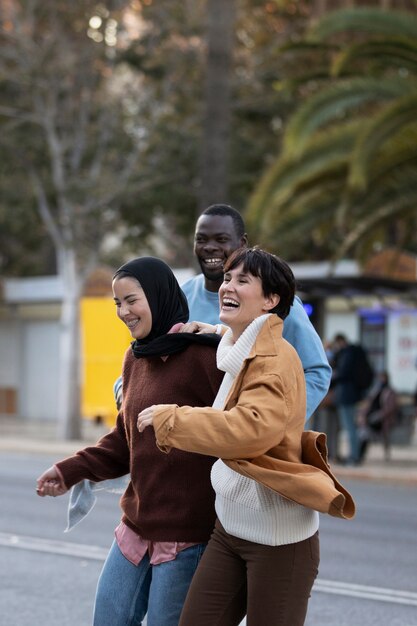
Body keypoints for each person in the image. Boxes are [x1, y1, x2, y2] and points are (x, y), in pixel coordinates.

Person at [138, 247, 355, 626]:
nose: (228, 286)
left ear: (271, 300)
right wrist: (218, 331)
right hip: (229, 531)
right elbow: (243, 353)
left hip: (278, 541)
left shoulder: (276, 360)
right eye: (227, 278)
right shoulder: (241, 346)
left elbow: (250, 430)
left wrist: (172, 418)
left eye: (243, 280)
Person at [36, 257, 224, 626]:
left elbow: (234, 433)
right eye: (117, 303)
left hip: (188, 538)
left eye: (131, 300)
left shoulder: (207, 356)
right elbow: (125, 438)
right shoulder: (135, 358)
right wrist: (68, 470)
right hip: (135, 527)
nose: (123, 312)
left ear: (157, 296)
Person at [181, 203, 332, 420]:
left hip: (254, 443)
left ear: (242, 243)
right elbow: (150, 354)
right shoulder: (180, 296)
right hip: (195, 439)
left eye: (221, 239)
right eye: (201, 239)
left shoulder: (278, 304)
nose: (209, 247)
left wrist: (277, 422)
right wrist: (124, 388)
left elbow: (316, 372)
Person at [332, 334, 372, 465]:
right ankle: (354, 454)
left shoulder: (346, 354)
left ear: (340, 341)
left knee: (349, 427)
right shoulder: (354, 352)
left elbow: (342, 373)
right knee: (352, 427)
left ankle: (354, 456)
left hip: (345, 396)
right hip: (353, 394)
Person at [358, 371, 399, 462]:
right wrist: (363, 415)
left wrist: (378, 415)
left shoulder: (390, 391)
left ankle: (359, 455)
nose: (381, 380)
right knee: (363, 433)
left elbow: (390, 408)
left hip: (382, 421)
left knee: (364, 432)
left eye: (383, 378)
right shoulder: (375, 390)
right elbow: (368, 404)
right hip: (370, 419)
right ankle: (359, 454)